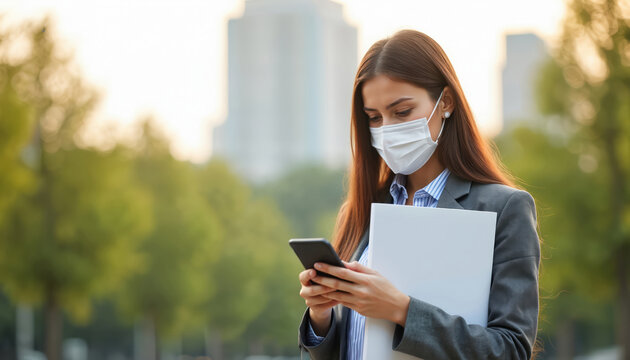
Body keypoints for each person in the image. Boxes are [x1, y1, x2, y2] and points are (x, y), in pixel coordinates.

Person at [296, 29, 541, 360]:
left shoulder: (504, 209)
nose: (387, 129)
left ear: (446, 103)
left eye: (402, 112)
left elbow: (510, 350)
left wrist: (402, 310)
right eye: (374, 118)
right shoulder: (361, 211)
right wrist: (321, 316)